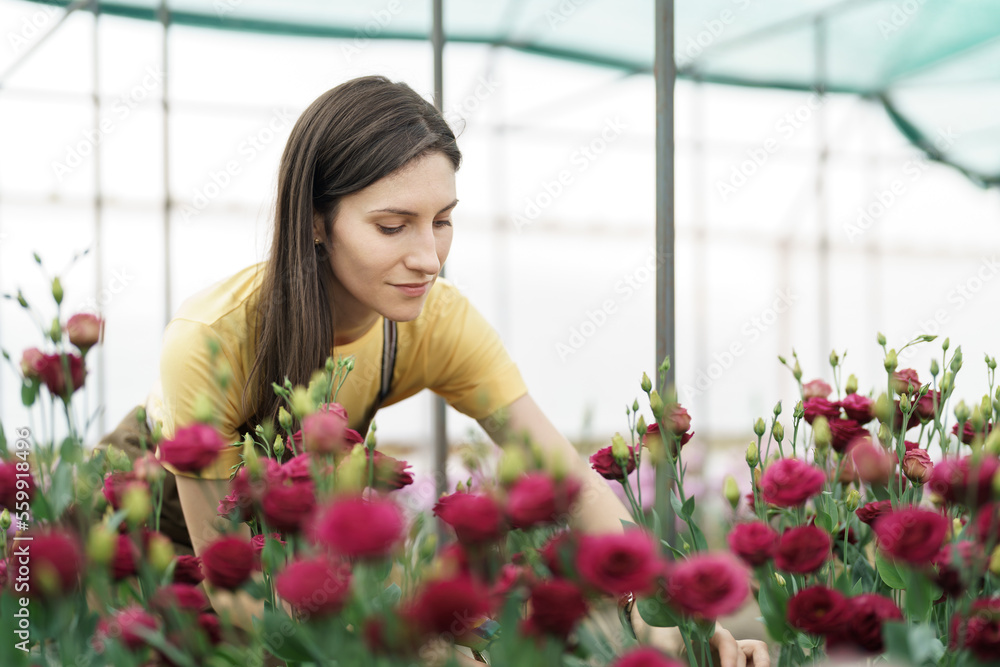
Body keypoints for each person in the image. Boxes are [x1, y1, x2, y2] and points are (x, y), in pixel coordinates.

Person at [131, 75, 769, 666]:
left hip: (291, 538)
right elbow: (233, 589)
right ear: (316, 222)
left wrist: (666, 615)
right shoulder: (213, 339)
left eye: (442, 222)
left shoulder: (435, 321)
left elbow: (572, 484)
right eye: (392, 226)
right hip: (154, 526)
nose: (428, 258)